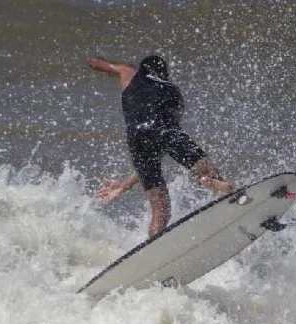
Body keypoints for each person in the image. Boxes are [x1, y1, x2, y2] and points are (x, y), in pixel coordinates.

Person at [88, 54, 233, 237]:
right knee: (208, 172)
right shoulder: (173, 92)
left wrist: (92, 61)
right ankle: (214, 183)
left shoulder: (129, 73)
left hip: (136, 137)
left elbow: (101, 64)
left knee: (160, 210)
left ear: (142, 70)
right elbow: (168, 135)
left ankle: (154, 242)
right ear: (164, 75)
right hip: (165, 130)